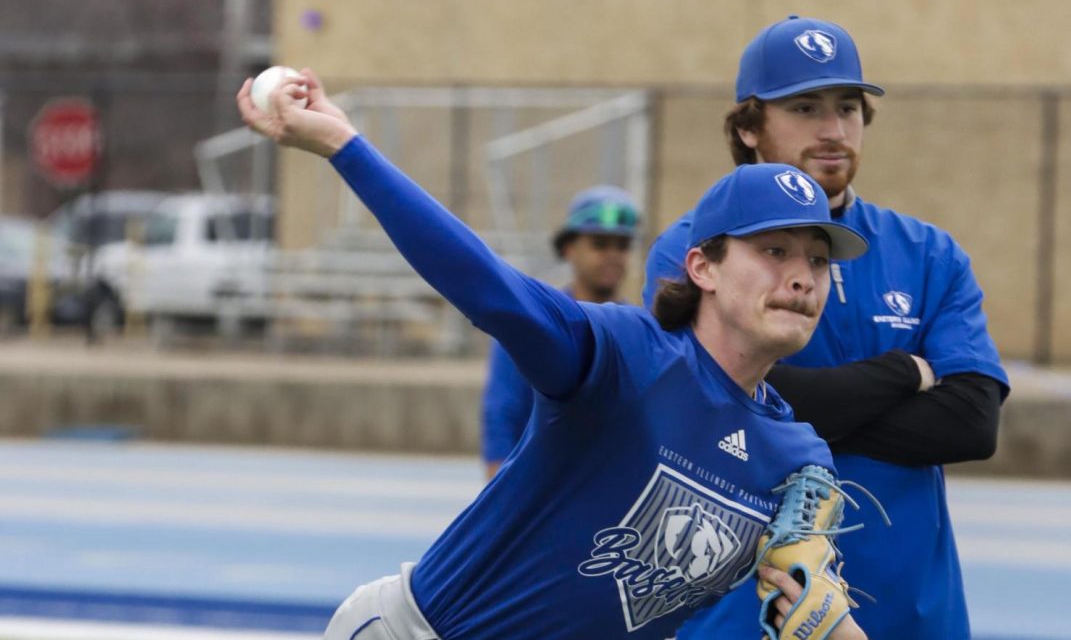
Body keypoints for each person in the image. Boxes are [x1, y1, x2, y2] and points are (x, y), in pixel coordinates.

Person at [237, 69, 876, 640]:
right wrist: (345, 147)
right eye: (774, 251)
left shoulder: (797, 460)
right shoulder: (627, 356)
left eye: (818, 260)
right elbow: (487, 287)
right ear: (702, 267)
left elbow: (811, 605)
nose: (803, 277)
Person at [646, 16, 1010, 640]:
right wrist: (901, 373)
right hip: (747, 615)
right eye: (806, 107)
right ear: (749, 127)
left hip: (913, 611)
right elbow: (714, 413)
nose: (835, 129)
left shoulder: (927, 252)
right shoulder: (694, 249)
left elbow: (971, 421)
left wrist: (792, 410)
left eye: (849, 107)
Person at [481, 186, 639, 478]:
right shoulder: (533, 322)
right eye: (600, 243)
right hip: (542, 486)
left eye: (622, 244)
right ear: (568, 248)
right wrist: (498, 489)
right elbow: (503, 413)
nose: (613, 255)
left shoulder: (640, 331)